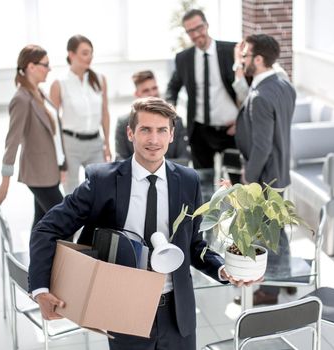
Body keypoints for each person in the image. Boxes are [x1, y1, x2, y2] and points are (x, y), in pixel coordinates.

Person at [29, 97, 251, 350]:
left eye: (161, 131)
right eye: (145, 129)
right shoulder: (102, 181)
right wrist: (40, 288)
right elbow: (47, 228)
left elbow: (193, 245)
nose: (154, 140)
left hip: (178, 314)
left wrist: (223, 269)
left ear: (171, 135)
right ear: (130, 133)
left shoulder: (188, 181)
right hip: (125, 310)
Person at [234, 34, 297, 305]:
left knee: (268, 233)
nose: (243, 60)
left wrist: (249, 176)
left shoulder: (260, 96)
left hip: (264, 177)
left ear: (258, 60)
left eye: (246, 56)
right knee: (277, 229)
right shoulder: (285, 84)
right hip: (280, 171)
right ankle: (286, 278)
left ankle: (269, 292)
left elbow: (261, 146)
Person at [0, 45, 66, 228]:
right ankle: (57, 257)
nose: (49, 68)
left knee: (41, 221)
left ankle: (38, 256)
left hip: (50, 170)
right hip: (38, 174)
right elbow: (12, 142)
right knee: (66, 220)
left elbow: (54, 135)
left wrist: (62, 165)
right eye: (45, 64)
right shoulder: (21, 99)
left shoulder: (39, 93)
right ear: (31, 67)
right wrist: (5, 182)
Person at [166, 9, 238, 172]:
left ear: (207, 25)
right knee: (203, 182)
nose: (197, 34)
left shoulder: (231, 51)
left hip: (231, 130)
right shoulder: (184, 58)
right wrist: (170, 107)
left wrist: (242, 120)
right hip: (200, 131)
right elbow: (173, 86)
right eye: (191, 31)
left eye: (199, 28)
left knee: (236, 185)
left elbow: (247, 89)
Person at [50, 34, 111, 194]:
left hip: (95, 143)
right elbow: (53, 122)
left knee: (101, 187)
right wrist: (58, 154)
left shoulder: (100, 79)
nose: (89, 57)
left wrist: (107, 144)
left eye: (91, 53)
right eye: (85, 53)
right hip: (70, 145)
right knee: (71, 191)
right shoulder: (59, 83)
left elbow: (105, 113)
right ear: (71, 54)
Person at [115, 70, 189, 164]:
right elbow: (120, 160)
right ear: (137, 95)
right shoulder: (123, 123)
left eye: (154, 88)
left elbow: (184, 160)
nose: (152, 94)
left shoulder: (176, 121)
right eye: (146, 90)